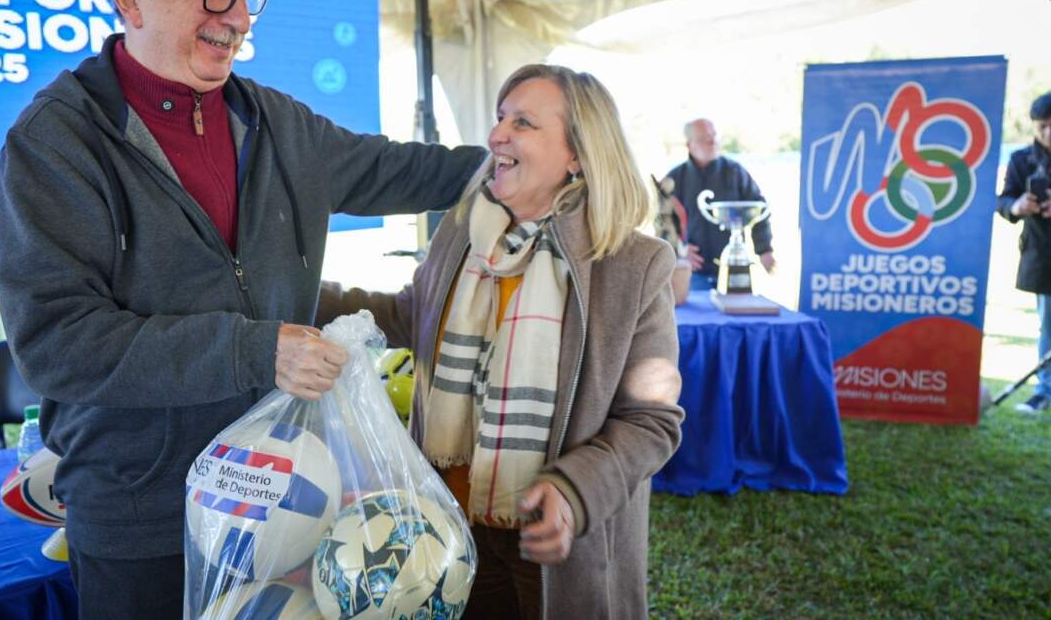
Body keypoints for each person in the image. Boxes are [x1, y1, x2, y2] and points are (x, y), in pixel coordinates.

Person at [0, 0, 486, 616]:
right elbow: (57, 342)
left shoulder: (277, 124)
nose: (235, 20)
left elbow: (400, 169)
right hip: (144, 518)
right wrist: (255, 350)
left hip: (285, 497)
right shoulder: (57, 143)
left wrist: (509, 165)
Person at [321, 64, 686, 619]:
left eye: (523, 122)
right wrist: (296, 290)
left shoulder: (633, 265)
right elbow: (411, 314)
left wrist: (573, 490)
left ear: (578, 155)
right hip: (448, 527)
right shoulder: (463, 237)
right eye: (498, 118)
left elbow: (651, 422)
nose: (496, 136)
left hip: (552, 548)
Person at [996, 91, 1051, 415]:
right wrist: (1016, 206)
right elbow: (1003, 200)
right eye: (1043, 126)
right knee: (1050, 329)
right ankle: (1043, 393)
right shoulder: (1022, 159)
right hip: (1046, 259)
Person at [665, 117, 774, 291]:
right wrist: (678, 251)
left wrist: (764, 249)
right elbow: (662, 224)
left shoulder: (736, 172)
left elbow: (758, 209)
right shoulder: (674, 179)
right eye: (704, 138)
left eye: (714, 135)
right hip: (692, 272)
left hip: (734, 266)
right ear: (690, 145)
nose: (713, 141)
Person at [652, 172, 694, 304]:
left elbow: (680, 216)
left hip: (671, 227)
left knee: (671, 243)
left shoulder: (672, 201)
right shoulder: (658, 199)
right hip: (661, 225)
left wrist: (679, 230)